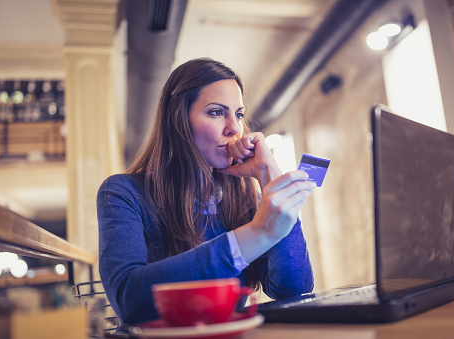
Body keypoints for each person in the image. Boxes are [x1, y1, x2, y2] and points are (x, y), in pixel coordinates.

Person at [97, 58, 316, 326]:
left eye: (238, 114)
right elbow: (128, 300)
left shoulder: (245, 201)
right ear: (178, 121)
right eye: (216, 112)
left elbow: (295, 292)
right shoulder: (123, 193)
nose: (235, 128)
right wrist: (257, 232)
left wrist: (270, 180)